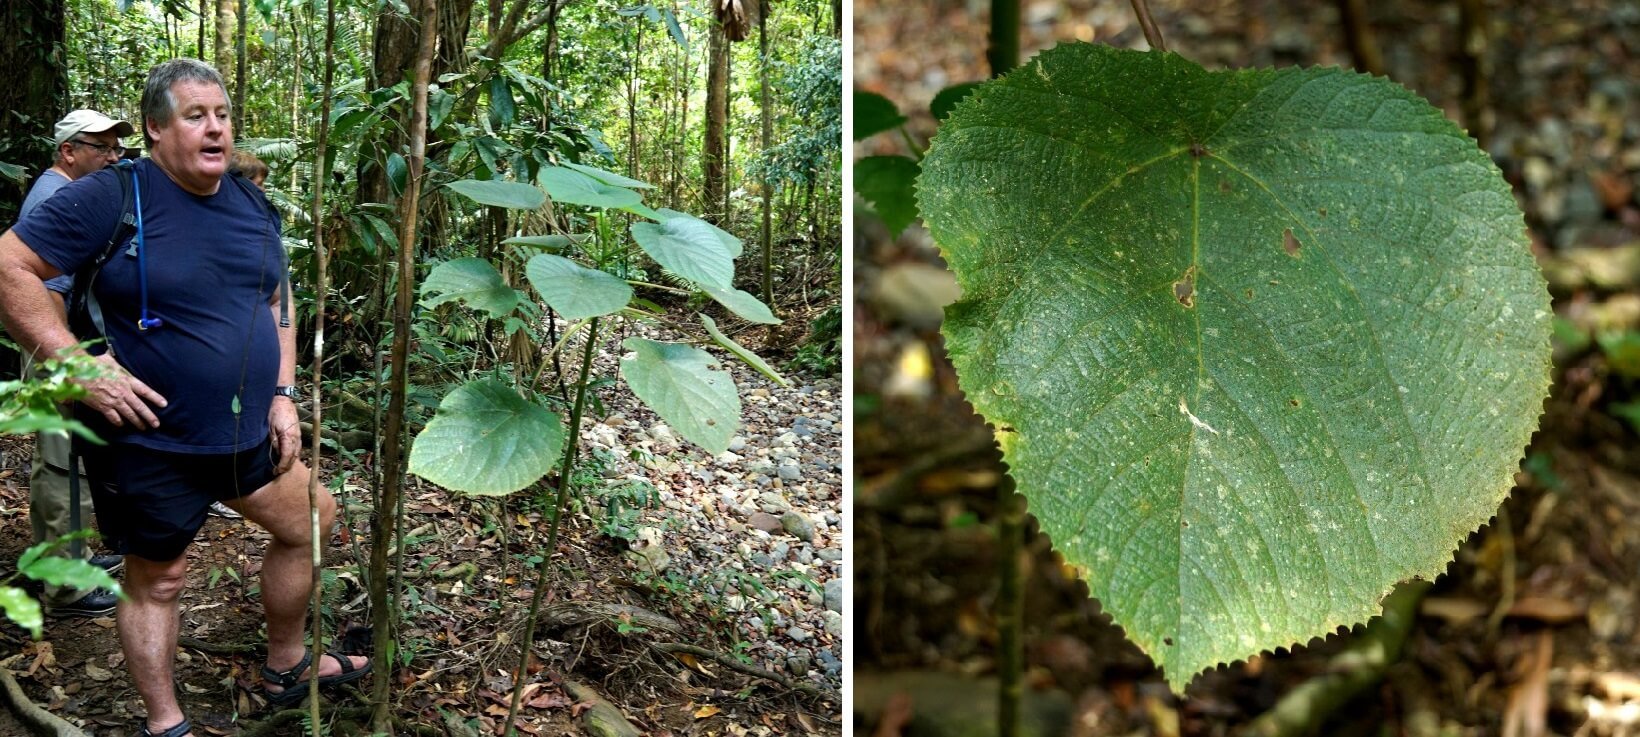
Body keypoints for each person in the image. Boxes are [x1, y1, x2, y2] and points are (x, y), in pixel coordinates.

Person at [0, 59, 368, 737]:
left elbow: (277, 300)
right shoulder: (113, 195)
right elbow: (9, 263)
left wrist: (283, 392)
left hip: (247, 435)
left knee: (311, 520)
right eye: (196, 115)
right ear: (155, 128)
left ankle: (286, 666)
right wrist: (71, 358)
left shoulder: (251, 201)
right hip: (152, 440)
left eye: (223, 115)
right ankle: (165, 722)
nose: (216, 128)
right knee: (159, 580)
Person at [18, 109, 134, 617]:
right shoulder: (58, 195)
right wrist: (69, 360)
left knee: (57, 457)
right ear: (69, 151)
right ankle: (66, 586)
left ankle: (62, 560)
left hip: (56, 345)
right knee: (66, 462)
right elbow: (43, 287)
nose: (113, 158)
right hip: (57, 347)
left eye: (117, 150)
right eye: (102, 148)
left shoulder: (58, 189)